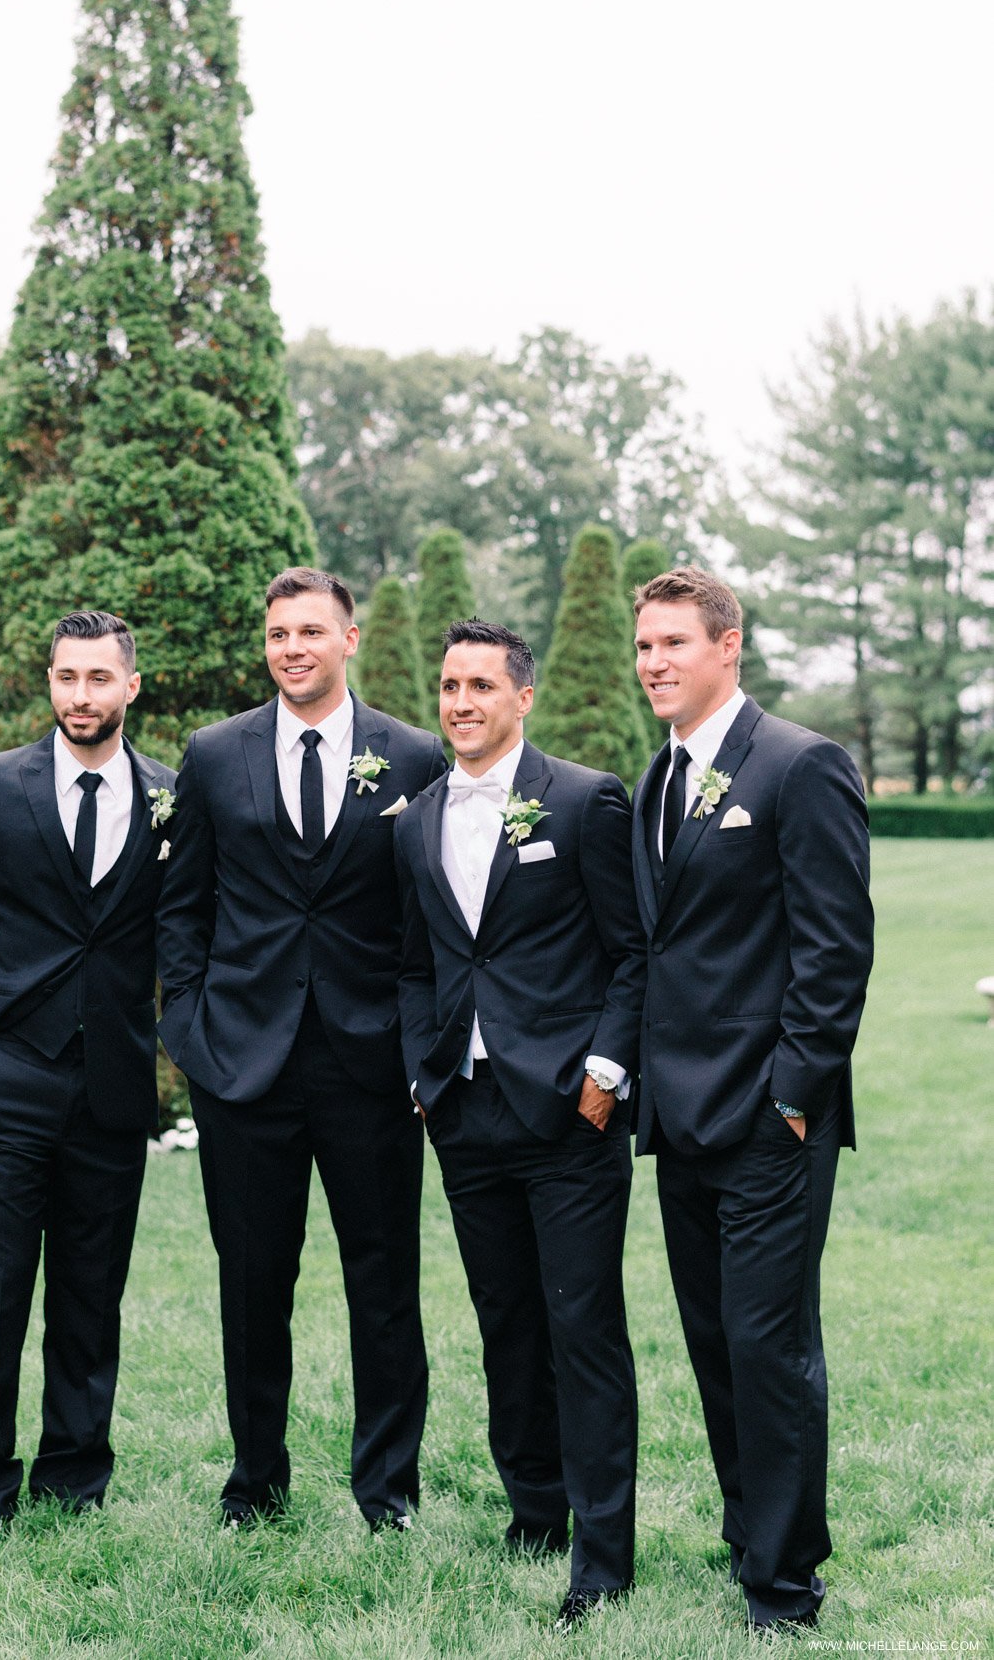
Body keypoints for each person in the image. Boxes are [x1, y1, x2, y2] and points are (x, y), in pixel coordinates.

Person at [156, 566, 446, 1531]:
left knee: (384, 1284)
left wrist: (419, 1047)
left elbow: (430, 915)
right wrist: (191, 1028)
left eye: (311, 631)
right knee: (251, 1282)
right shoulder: (213, 752)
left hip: (370, 1066)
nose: (293, 649)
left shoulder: (409, 757)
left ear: (348, 639)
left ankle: (387, 1489)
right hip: (241, 1064)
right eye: (279, 634)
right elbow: (181, 906)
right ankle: (255, 1482)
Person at [630, 568, 874, 1632]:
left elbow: (836, 948)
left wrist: (792, 1094)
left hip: (773, 1119)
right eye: (644, 646)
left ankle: (785, 1581)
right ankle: (748, 1535)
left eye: (674, 643)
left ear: (729, 645)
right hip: (679, 1119)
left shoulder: (800, 763)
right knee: (715, 1340)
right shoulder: (657, 778)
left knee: (772, 1346)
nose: (654, 663)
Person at [393, 618, 645, 1630]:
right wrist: (425, 1073)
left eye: (481, 686)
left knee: (583, 1327)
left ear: (521, 698)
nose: (460, 702)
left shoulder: (585, 800)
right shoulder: (411, 820)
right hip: (466, 1107)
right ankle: (534, 1509)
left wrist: (603, 1072)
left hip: (571, 1111)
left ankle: (603, 1550)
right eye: (449, 686)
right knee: (506, 1323)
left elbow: (631, 951)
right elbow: (415, 960)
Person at [0, 610, 176, 1528]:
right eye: (67, 677)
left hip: (111, 1083)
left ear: (130, 687)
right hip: (4, 1077)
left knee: (90, 1292)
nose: (80, 696)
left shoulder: (169, 794)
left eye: (99, 679)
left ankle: (74, 1477)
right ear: (50, 681)